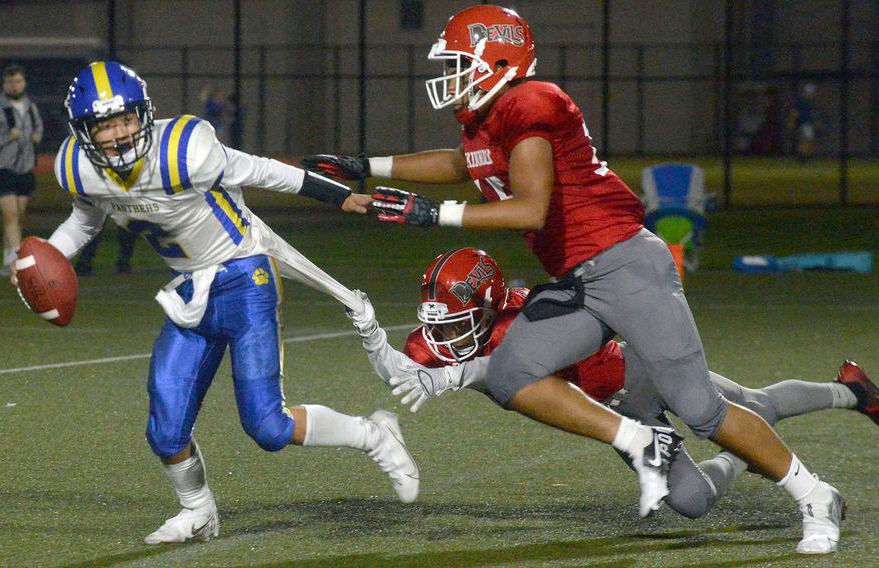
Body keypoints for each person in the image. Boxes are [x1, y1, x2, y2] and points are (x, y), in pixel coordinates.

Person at [305, 5, 844, 554]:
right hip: (580, 279)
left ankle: (816, 495)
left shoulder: (529, 101)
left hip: (625, 264)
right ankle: (635, 439)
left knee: (701, 407)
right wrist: (363, 163)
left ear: (499, 58)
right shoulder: (493, 116)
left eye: (461, 62)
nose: (452, 76)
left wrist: (431, 214)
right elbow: (459, 165)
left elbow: (531, 208)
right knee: (515, 371)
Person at [12, 61, 419, 544]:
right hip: (189, 290)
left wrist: (340, 197)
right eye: (105, 125)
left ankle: (374, 433)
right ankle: (199, 511)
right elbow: (85, 219)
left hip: (247, 276)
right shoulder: (78, 168)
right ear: (84, 133)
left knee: (268, 427)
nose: (119, 135)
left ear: (143, 115)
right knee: (165, 430)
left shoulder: (187, 149)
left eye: (125, 119)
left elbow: (263, 169)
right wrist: (46, 262)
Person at [349, 247, 878, 521]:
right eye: (438, 322)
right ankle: (744, 454)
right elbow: (406, 372)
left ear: (489, 307)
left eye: (454, 320)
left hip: (640, 371)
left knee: (750, 404)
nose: (442, 335)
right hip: (621, 418)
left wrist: (458, 374)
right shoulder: (441, 341)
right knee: (691, 501)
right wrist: (373, 336)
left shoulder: (530, 312)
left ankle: (851, 390)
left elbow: (501, 367)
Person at [0, 64, 43, 277]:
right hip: (2, 168)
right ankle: (17, 263)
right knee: (11, 215)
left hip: (25, 167)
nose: (15, 86)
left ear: (24, 83)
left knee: (17, 217)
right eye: (11, 82)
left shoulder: (31, 107)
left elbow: (38, 127)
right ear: (4, 84)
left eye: (19, 81)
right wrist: (6, 138)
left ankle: (7, 259)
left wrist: (37, 136)